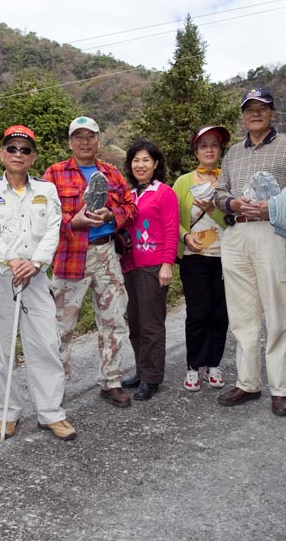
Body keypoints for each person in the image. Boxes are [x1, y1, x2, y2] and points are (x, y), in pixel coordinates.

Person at [213, 88, 286, 416]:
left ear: (272, 113)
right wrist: (232, 203)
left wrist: (271, 206)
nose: (255, 113)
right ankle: (247, 383)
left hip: (273, 232)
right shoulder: (233, 154)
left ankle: (280, 389)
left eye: (262, 108)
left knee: (276, 313)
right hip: (236, 234)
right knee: (242, 315)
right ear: (243, 115)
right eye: (250, 109)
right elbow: (219, 193)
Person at [0, 125, 75, 441]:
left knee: (45, 343)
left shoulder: (46, 190)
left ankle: (51, 413)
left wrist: (36, 263)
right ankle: (7, 412)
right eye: (12, 148)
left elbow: (53, 230)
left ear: (33, 157)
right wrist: (12, 261)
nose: (18, 154)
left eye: (25, 150)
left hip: (36, 275)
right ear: (2, 153)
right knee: (1, 347)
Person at [43, 116, 137, 408]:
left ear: (98, 140)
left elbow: (130, 206)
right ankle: (55, 387)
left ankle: (111, 382)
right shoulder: (54, 173)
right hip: (69, 254)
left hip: (105, 253)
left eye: (90, 136)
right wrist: (73, 222)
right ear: (70, 142)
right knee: (60, 326)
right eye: (79, 137)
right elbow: (43, 215)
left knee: (114, 319)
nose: (85, 142)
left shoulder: (110, 173)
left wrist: (112, 215)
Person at [118, 140, 179, 401]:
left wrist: (167, 264)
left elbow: (171, 230)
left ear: (155, 164)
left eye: (146, 160)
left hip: (153, 266)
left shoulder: (164, 192)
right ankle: (141, 370)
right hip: (129, 265)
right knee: (135, 322)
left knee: (152, 324)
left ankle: (152, 377)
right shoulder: (129, 195)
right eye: (136, 160)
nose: (140, 165)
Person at [172, 126, 231, 393]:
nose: (209, 149)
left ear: (220, 150)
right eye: (203, 145)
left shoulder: (228, 181)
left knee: (221, 314)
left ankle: (214, 364)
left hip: (226, 257)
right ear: (195, 151)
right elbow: (171, 220)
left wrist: (213, 209)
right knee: (197, 314)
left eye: (214, 145)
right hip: (194, 257)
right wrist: (185, 237)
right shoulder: (183, 182)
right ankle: (193, 366)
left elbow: (234, 220)